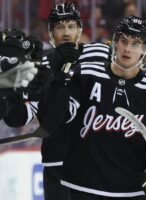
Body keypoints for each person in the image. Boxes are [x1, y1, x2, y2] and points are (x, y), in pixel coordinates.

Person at [40, 15, 146, 200]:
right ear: (115, 42)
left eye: (136, 44)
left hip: (132, 190)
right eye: (124, 41)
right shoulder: (86, 74)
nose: (127, 49)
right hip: (82, 187)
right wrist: (57, 82)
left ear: (145, 50)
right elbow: (60, 117)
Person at [4, 2, 111, 200]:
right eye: (60, 27)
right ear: (51, 33)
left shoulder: (100, 54)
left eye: (71, 26)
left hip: (96, 161)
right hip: (57, 162)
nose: (66, 32)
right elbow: (24, 115)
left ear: (80, 30)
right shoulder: (41, 64)